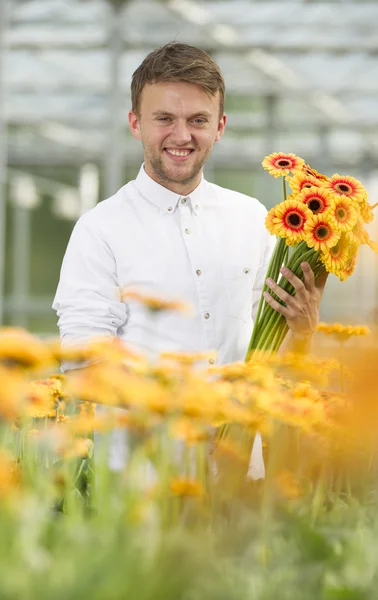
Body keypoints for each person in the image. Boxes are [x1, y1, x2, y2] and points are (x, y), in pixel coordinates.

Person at [52, 42, 326, 476]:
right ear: (135, 123)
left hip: (240, 479)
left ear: (219, 127)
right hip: (142, 485)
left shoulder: (254, 218)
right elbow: (84, 367)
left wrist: (303, 332)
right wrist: (186, 405)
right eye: (165, 119)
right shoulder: (100, 229)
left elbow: (272, 360)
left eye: (197, 120)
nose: (182, 136)